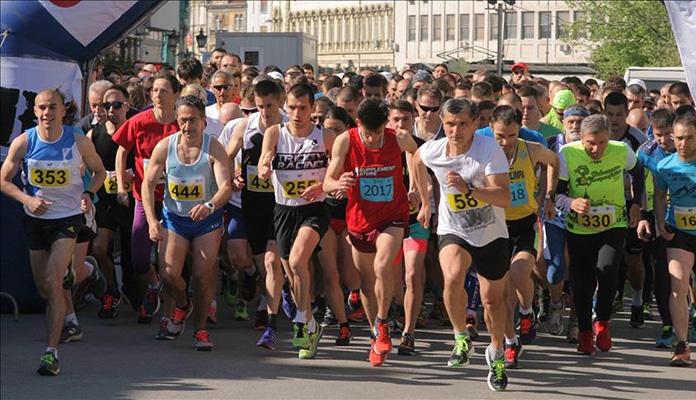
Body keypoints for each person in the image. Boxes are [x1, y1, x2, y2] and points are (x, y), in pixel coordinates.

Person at [0, 89, 106, 375]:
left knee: (53, 279)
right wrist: (28, 200)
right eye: (42, 108)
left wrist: (88, 191)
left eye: (53, 108)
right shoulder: (24, 142)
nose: (47, 113)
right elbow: (4, 181)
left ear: (63, 111)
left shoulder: (77, 140)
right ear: (35, 111)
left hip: (67, 218)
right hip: (35, 220)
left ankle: (51, 352)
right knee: (45, 288)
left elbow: (100, 172)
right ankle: (81, 270)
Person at [412, 97, 510, 391]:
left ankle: (496, 353)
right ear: (442, 123)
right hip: (453, 228)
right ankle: (460, 338)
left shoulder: (488, 149)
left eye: (463, 124)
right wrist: (424, 197)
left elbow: (504, 197)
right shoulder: (434, 150)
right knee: (452, 277)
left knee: (492, 301)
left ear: (475, 124)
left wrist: (471, 189)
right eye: (450, 124)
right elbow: (416, 159)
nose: (456, 131)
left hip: (491, 233)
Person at [323, 98, 418, 367]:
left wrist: (416, 187)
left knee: (383, 263)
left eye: (378, 134)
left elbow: (416, 154)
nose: (374, 140)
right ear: (358, 124)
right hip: (360, 219)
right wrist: (338, 182)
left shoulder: (397, 138)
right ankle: (376, 334)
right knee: (365, 283)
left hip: (393, 216)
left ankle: (384, 322)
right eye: (369, 134)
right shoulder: (345, 140)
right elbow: (328, 182)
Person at [141, 95, 232, 351]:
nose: (188, 126)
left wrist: (210, 205)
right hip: (175, 218)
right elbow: (147, 185)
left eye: (193, 120)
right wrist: (151, 221)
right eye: (183, 120)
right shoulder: (164, 147)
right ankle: (183, 305)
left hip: (207, 220)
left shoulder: (213, 148)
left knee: (202, 276)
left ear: (203, 121)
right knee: (169, 274)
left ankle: (200, 331)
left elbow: (225, 187)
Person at [257, 83, 335, 359]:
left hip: (314, 209)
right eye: (291, 108)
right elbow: (266, 157)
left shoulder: (325, 136)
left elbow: (340, 173)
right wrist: (265, 167)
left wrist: (323, 187)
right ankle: (312, 326)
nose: (297, 113)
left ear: (312, 108)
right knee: (292, 272)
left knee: (300, 260)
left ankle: (302, 321)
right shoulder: (275, 132)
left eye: (303, 108)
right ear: (284, 107)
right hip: (284, 210)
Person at [555, 114, 643, 355]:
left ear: (609, 137)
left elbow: (638, 172)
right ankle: (584, 332)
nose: (597, 149)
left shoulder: (621, 150)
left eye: (602, 142)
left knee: (607, 271)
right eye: (590, 143)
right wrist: (572, 203)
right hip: (579, 228)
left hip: (612, 224)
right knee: (582, 283)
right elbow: (557, 196)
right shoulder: (568, 154)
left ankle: (602, 322)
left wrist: (636, 203)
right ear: (581, 138)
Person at [490, 105, 559, 369]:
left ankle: (527, 311)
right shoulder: (485, 152)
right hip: (494, 227)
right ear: (491, 130)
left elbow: (553, 161)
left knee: (519, 274)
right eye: (499, 136)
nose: (505, 142)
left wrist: (548, 196)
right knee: (502, 291)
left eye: (510, 135)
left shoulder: (530, 149)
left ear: (519, 130)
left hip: (524, 224)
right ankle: (510, 342)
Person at [113, 73, 181, 327]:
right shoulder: (140, 121)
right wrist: (121, 186)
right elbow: (122, 152)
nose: (158, 95)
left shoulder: (182, 123)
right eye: (154, 91)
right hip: (145, 196)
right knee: (140, 257)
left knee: (170, 260)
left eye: (164, 91)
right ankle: (154, 285)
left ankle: (170, 313)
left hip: (176, 200)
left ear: (176, 95)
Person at [227, 79, 290, 348]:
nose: (265, 112)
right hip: (251, 202)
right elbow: (226, 155)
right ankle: (272, 295)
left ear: (280, 102)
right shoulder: (246, 125)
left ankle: (268, 314)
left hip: (280, 203)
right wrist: (231, 178)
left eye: (270, 106)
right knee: (260, 262)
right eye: (260, 106)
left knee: (271, 263)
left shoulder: (288, 126)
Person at [648, 114, 696, 366]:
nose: (683, 144)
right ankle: (682, 344)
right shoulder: (665, 166)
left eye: (689, 138)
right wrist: (659, 221)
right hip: (679, 233)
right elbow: (658, 195)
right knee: (677, 285)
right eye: (678, 138)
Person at [87, 85, 137, 318]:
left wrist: (132, 174)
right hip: (105, 201)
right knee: (99, 248)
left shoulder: (136, 131)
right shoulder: (95, 134)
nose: (111, 110)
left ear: (127, 105)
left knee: (132, 256)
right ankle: (111, 290)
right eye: (107, 105)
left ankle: (136, 294)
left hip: (130, 200)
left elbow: (151, 163)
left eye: (117, 105)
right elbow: (84, 166)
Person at [635, 108, 677, 348]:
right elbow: (638, 185)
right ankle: (667, 323)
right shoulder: (646, 152)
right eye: (659, 135)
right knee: (662, 273)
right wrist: (642, 216)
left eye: (668, 134)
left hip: (687, 215)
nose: (664, 140)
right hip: (657, 216)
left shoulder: (689, 147)